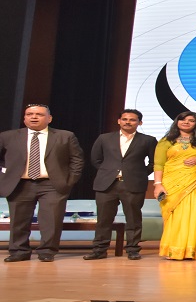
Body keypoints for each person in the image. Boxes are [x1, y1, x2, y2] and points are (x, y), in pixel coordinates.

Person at [0, 104, 84, 262]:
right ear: (24, 118)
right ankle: (19, 251)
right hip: (19, 184)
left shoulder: (65, 136)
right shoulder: (8, 136)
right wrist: (4, 177)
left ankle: (47, 251)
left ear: (49, 118)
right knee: (18, 221)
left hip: (52, 184)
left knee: (51, 220)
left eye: (39, 114)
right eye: (29, 114)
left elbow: (77, 160)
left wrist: (69, 181)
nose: (33, 117)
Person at [85, 109, 157, 261]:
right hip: (107, 185)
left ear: (140, 123)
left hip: (133, 184)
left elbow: (153, 162)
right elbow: (96, 159)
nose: (128, 122)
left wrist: (140, 174)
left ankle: (132, 250)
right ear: (119, 121)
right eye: (124, 119)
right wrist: (108, 172)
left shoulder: (148, 140)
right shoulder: (104, 138)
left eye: (132, 120)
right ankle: (99, 250)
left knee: (133, 219)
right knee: (104, 220)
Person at [153, 111, 196, 260]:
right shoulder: (166, 141)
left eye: (191, 120)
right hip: (172, 182)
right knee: (175, 214)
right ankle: (173, 250)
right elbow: (159, 164)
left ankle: (193, 250)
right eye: (182, 120)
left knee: (195, 213)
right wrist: (158, 184)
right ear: (177, 122)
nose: (186, 122)